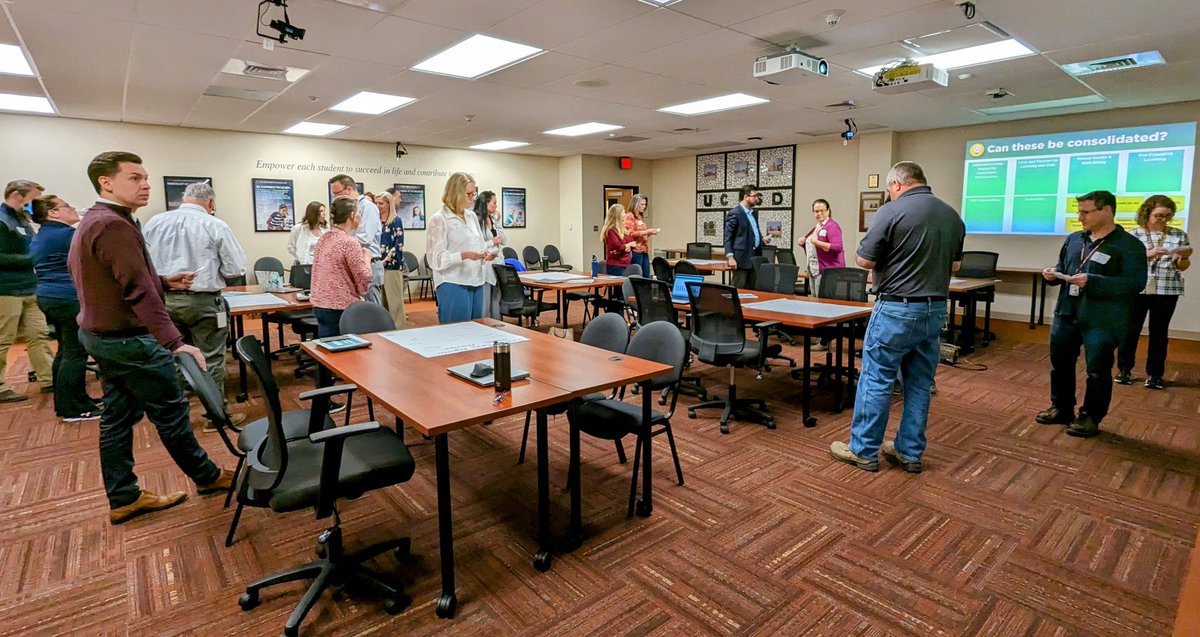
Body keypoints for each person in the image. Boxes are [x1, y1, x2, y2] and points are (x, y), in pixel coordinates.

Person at [68, 151, 231, 524]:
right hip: (129, 341)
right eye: (134, 178)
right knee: (172, 412)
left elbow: (114, 278)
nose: (145, 185)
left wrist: (163, 282)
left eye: (145, 178)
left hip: (101, 336)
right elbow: (138, 292)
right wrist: (176, 342)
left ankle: (123, 496)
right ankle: (208, 477)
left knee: (117, 417)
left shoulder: (96, 220)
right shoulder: (112, 225)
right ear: (106, 182)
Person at [830, 161, 965, 473]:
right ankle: (909, 452)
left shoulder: (891, 211)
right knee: (919, 383)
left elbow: (864, 260)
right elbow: (955, 266)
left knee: (877, 378)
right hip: (935, 310)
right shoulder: (952, 215)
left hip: (896, 309)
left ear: (896, 184)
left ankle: (863, 450)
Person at [1036, 190, 1146, 437]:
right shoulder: (1074, 239)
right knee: (1060, 364)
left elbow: (1135, 284)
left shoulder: (1128, 245)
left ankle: (1090, 416)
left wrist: (1093, 281)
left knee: (1097, 370)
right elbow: (1065, 269)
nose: (1079, 217)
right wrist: (1053, 275)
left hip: (1102, 319)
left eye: (1085, 212)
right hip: (1066, 313)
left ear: (1107, 210)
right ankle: (1061, 408)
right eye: (1079, 212)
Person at [143, 182, 248, 409]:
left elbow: (143, 263)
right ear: (211, 202)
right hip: (204, 302)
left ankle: (177, 409)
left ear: (184, 199)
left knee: (174, 353)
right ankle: (215, 413)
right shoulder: (215, 224)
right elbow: (236, 269)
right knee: (211, 356)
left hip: (164, 301)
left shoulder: (155, 222)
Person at [29, 195, 101, 421]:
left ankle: (70, 401)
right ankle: (74, 409)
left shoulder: (43, 234)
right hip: (67, 297)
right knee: (75, 352)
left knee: (65, 350)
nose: (73, 208)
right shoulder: (67, 235)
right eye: (67, 206)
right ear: (53, 213)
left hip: (49, 296)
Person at [1116, 195, 1192, 390]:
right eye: (1159, 215)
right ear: (1147, 213)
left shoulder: (1179, 235)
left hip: (1167, 289)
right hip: (1137, 289)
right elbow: (1123, 263)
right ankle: (1124, 370)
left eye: (1168, 216)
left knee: (1159, 332)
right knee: (1130, 330)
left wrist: (1183, 258)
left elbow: (1182, 267)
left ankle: (1155, 375)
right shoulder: (1133, 235)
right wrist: (1146, 254)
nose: (1163, 220)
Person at [0, 179, 54, 402]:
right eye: (33, 200)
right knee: (3, 339)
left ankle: (49, 379)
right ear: (16, 195)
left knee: (38, 335)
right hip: (6, 290)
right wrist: (33, 258)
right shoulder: (2, 221)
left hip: (30, 287)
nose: (36, 205)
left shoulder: (23, 220)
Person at [427, 172, 494, 323]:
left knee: (477, 329)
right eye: (469, 194)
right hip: (452, 282)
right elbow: (435, 260)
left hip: (476, 281)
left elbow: (480, 246)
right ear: (455, 193)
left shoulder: (472, 217)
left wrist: (486, 254)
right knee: (457, 331)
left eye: (474, 194)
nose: (473, 198)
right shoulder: (439, 219)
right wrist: (464, 255)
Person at [310, 197, 373, 338]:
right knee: (344, 349)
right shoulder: (349, 242)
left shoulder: (323, 239)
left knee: (327, 346)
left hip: (321, 304)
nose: (360, 217)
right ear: (352, 215)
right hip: (341, 307)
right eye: (359, 213)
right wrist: (367, 258)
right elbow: (364, 276)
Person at [329, 175, 383, 304]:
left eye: (337, 193)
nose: (335, 198)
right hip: (352, 263)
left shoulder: (368, 207)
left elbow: (364, 239)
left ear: (349, 189)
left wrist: (340, 243)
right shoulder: (348, 208)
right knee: (356, 308)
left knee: (370, 308)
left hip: (368, 262)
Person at [724, 185, 771, 288]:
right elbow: (728, 237)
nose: (757, 199)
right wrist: (730, 257)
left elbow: (752, 232)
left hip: (755, 258)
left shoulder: (753, 213)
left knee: (752, 290)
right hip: (741, 258)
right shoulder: (735, 213)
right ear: (746, 197)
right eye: (755, 196)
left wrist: (761, 239)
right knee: (739, 288)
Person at [799, 198, 845, 297]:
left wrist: (817, 242)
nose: (819, 213)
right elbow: (811, 245)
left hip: (827, 271)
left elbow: (838, 247)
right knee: (814, 300)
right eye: (816, 211)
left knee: (822, 301)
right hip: (814, 270)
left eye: (822, 211)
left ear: (828, 211)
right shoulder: (818, 226)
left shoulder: (832, 226)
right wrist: (802, 242)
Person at [474, 190, 508, 319]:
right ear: (485, 203)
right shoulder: (477, 221)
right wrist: (491, 242)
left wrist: (498, 222)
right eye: (494, 203)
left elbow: (504, 240)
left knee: (496, 299)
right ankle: (484, 325)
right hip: (486, 266)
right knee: (485, 302)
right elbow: (476, 246)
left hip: (498, 264)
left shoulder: (493, 219)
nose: (496, 206)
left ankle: (497, 324)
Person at [376, 191, 407, 327]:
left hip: (392, 266)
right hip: (378, 265)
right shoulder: (376, 221)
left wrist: (386, 260)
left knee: (395, 303)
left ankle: (399, 329)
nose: (378, 206)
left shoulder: (396, 221)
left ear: (389, 204)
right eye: (376, 203)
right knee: (382, 302)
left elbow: (398, 244)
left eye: (381, 203)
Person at [623, 194, 660, 276]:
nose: (644, 206)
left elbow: (641, 234)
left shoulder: (640, 216)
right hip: (635, 250)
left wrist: (650, 232)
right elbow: (630, 234)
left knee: (646, 274)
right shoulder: (630, 216)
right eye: (642, 204)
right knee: (638, 274)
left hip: (644, 249)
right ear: (635, 204)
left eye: (645, 204)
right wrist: (647, 231)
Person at [287, 201, 326, 265]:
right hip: (305, 265)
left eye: (324, 211)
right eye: (321, 211)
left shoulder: (325, 229)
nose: (324, 214)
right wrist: (300, 257)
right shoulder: (298, 228)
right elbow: (291, 247)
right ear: (313, 213)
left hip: (321, 265)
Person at [602, 203, 635, 276]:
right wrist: (627, 246)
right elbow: (618, 246)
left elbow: (632, 242)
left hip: (626, 264)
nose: (625, 214)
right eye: (623, 213)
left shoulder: (623, 229)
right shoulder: (610, 231)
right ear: (617, 215)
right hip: (616, 266)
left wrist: (627, 246)